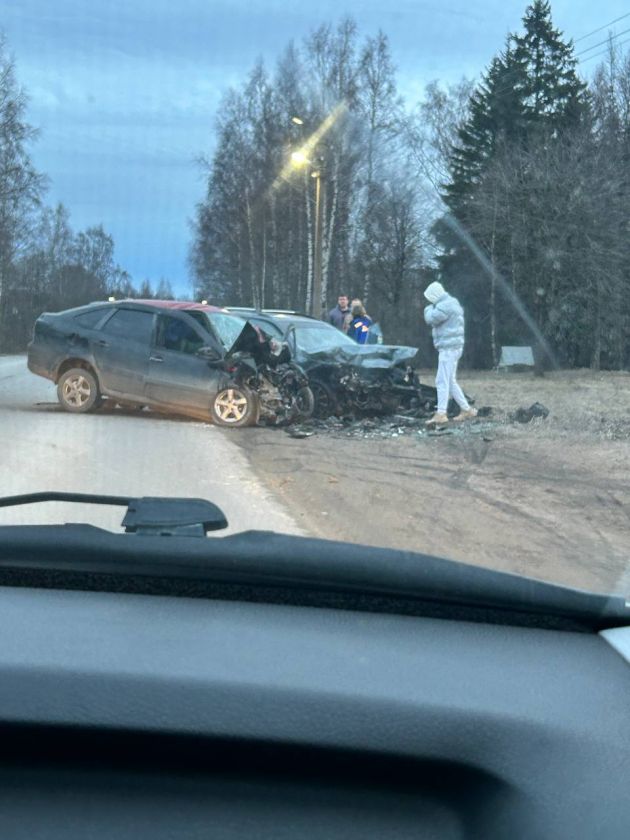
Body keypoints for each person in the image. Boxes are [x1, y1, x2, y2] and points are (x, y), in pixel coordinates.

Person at [423, 281, 477, 426]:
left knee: (441, 381)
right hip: (454, 347)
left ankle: (441, 413)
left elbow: (431, 319)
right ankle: (467, 410)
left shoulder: (444, 306)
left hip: (448, 349)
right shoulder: (452, 302)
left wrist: (427, 308)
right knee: (450, 380)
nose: (429, 301)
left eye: (430, 297)